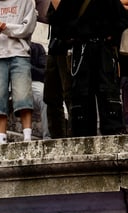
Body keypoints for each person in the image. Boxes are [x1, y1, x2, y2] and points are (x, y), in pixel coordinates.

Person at [50, 0, 128, 137]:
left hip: (102, 48)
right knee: (83, 92)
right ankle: (85, 132)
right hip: (82, 49)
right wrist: (73, 36)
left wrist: (111, 35)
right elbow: (58, 22)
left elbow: (123, 19)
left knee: (106, 90)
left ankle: (112, 129)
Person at [0, 0, 36, 143]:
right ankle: (1, 139)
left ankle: (27, 137)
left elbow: (28, 28)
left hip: (20, 53)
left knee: (23, 96)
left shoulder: (26, 2)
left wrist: (4, 26)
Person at [44, 0, 72, 138]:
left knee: (69, 94)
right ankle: (56, 136)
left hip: (69, 47)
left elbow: (65, 13)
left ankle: (74, 135)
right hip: (54, 47)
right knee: (51, 96)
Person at [30, 43, 50, 139]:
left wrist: (26, 67)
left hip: (33, 81)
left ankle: (47, 137)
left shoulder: (37, 47)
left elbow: (43, 71)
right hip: (12, 83)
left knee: (45, 97)